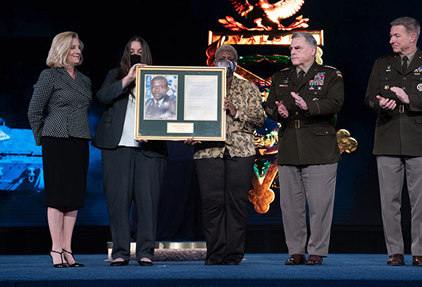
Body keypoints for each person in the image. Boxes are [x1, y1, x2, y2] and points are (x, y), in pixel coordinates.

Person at [364, 17, 422, 267]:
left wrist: (409, 99)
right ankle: (395, 252)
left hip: (420, 141)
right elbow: (368, 97)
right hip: (388, 137)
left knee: (420, 202)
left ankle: (419, 252)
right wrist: (380, 103)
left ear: (412, 37)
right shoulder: (382, 64)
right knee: (390, 201)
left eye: (396, 35)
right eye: (390, 36)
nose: (391, 40)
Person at [265, 32, 344, 266]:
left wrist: (308, 105)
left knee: (319, 205)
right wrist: (277, 112)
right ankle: (296, 251)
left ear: (312, 50)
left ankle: (317, 251)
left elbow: (335, 103)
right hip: (290, 144)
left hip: (319, 145)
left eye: (297, 48)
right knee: (291, 205)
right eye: (291, 49)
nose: (292, 52)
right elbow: (269, 105)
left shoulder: (330, 75)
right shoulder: (281, 77)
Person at [185, 44, 266, 265]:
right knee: (212, 202)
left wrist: (236, 112)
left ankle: (233, 254)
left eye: (231, 58)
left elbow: (260, 119)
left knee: (237, 202)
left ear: (236, 63)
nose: (226, 60)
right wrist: (187, 133)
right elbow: (187, 115)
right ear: (213, 61)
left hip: (241, 150)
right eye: (222, 57)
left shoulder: (248, 87)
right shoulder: (199, 85)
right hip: (208, 151)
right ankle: (215, 253)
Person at [92, 36, 167, 266]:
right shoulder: (115, 75)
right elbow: (102, 96)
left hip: (149, 150)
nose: (136, 55)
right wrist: (128, 79)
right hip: (117, 149)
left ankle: (146, 252)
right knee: (118, 203)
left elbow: (172, 111)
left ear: (147, 55)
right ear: (127, 54)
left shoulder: (160, 80)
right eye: (132, 51)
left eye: (140, 51)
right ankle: (120, 252)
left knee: (148, 204)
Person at [27, 31, 91, 268]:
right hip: (55, 139)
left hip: (80, 139)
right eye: (73, 47)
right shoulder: (49, 76)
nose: (78, 51)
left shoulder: (84, 80)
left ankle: (68, 249)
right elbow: (34, 111)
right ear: (61, 49)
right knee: (56, 197)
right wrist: (42, 139)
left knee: (73, 198)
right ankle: (55, 249)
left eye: (79, 47)